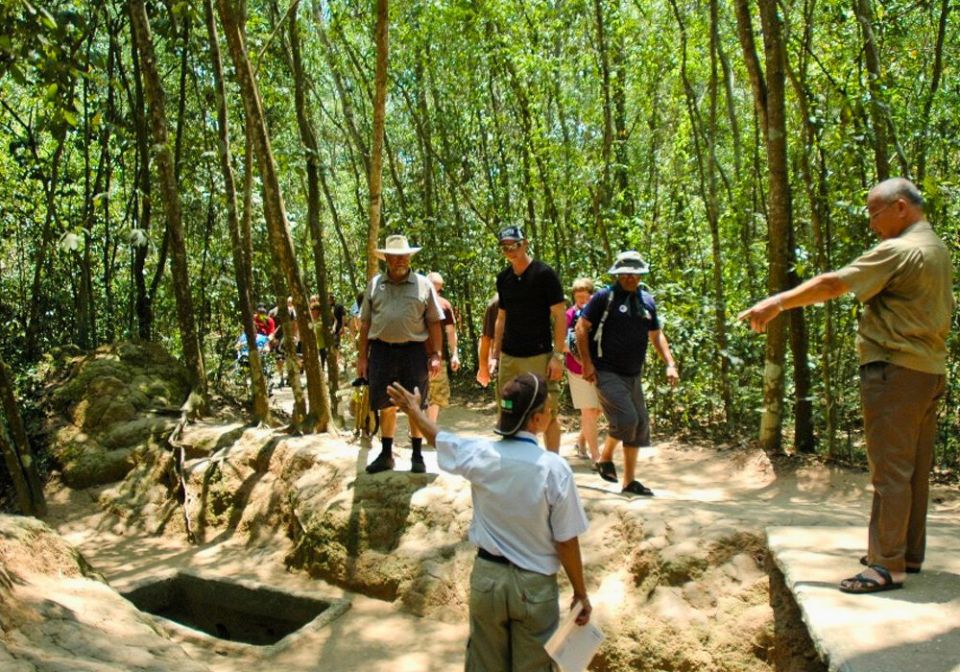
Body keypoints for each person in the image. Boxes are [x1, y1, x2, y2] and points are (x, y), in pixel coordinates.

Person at [738, 177, 953, 594]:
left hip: (895, 369)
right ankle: (906, 552)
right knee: (913, 470)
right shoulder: (936, 247)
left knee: (890, 470)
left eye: (876, 213)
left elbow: (834, 283)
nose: (872, 223)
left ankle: (886, 565)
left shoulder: (900, 249)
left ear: (902, 207)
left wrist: (777, 302)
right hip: (928, 370)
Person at [386, 373, 591, 670]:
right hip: (534, 588)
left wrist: (414, 411)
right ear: (535, 420)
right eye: (548, 410)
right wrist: (580, 593)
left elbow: (438, 438)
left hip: (487, 581)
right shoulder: (553, 469)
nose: (550, 414)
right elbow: (566, 540)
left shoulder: (479, 454)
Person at [575, 251, 679, 496]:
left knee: (640, 425)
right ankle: (606, 456)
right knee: (628, 419)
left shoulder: (646, 301)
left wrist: (670, 363)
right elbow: (581, 328)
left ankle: (629, 482)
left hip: (633, 373)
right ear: (618, 274)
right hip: (606, 370)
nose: (630, 278)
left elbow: (656, 335)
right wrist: (587, 364)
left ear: (641, 274)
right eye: (625, 274)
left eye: (634, 274)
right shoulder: (604, 297)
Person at [357, 234, 443, 474]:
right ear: (386, 258)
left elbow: (434, 322)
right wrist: (362, 358)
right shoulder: (375, 285)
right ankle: (386, 454)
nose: (399, 261)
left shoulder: (423, 284)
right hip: (382, 351)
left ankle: (417, 455)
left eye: (403, 256)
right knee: (386, 403)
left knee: (416, 401)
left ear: (409, 257)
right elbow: (365, 323)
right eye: (394, 257)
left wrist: (436, 354)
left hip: (414, 352)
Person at [491, 226, 566, 452]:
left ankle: (552, 463)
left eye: (514, 245)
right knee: (508, 409)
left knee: (547, 410)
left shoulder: (544, 274)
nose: (510, 250)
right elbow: (501, 318)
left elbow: (560, 316)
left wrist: (558, 355)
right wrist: (495, 356)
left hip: (539, 355)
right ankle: (511, 461)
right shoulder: (503, 278)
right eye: (504, 247)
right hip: (509, 356)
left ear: (525, 243)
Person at [565, 278, 602, 466]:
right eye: (577, 298)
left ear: (592, 296)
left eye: (585, 298)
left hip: (599, 368)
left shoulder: (598, 313)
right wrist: (577, 352)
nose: (581, 301)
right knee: (588, 410)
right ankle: (597, 458)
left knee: (597, 410)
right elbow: (561, 343)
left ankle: (581, 441)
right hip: (577, 369)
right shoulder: (569, 315)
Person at [426, 272, 461, 423]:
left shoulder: (444, 305)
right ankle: (424, 428)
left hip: (436, 357)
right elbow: (451, 332)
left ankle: (426, 428)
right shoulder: (417, 302)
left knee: (433, 395)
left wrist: (454, 354)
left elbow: (451, 332)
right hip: (421, 356)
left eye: (438, 289)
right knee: (433, 395)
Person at [475, 294, 499, 388]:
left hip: (533, 360)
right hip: (505, 363)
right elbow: (486, 337)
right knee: (507, 399)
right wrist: (483, 367)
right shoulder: (497, 302)